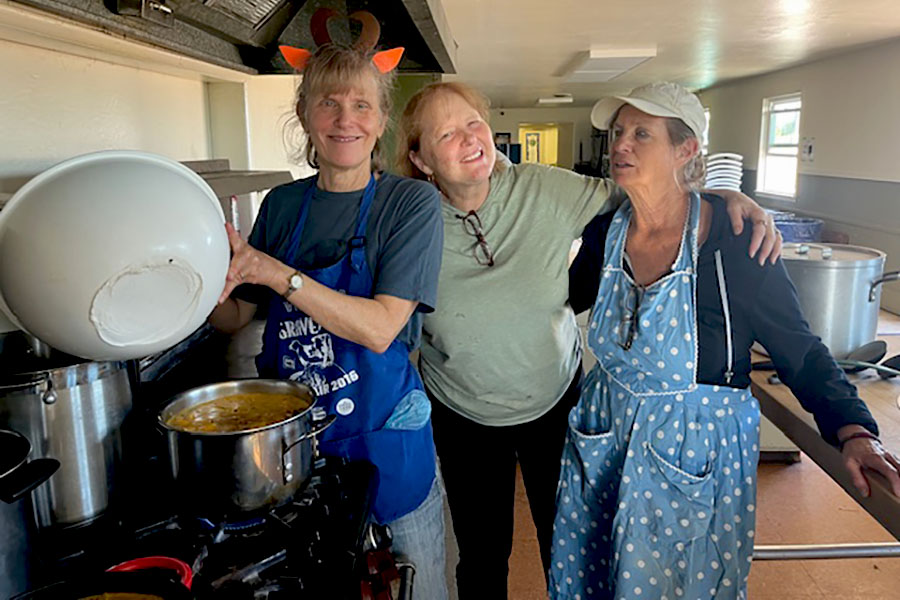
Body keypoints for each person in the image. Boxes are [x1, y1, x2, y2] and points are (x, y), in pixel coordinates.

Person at [395, 81, 781, 598]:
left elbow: (647, 189)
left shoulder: (545, 188)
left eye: (473, 123)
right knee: (483, 555)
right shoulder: (408, 220)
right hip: (463, 413)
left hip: (554, 405)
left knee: (569, 540)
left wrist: (724, 194)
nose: (469, 139)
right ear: (420, 160)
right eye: (446, 134)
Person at [553, 81, 900, 599]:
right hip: (608, 440)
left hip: (691, 459)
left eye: (641, 134)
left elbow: (798, 349)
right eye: (618, 132)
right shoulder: (607, 229)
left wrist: (853, 429)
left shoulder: (735, 243)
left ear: (686, 149)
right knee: (597, 577)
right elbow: (563, 296)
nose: (619, 144)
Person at [208, 25, 448, 599]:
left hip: (385, 440)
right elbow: (241, 317)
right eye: (330, 102)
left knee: (422, 586)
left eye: (362, 104)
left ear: (382, 119)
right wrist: (201, 290)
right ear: (305, 112)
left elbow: (379, 326)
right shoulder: (284, 205)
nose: (347, 119)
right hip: (296, 452)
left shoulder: (409, 203)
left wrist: (276, 274)